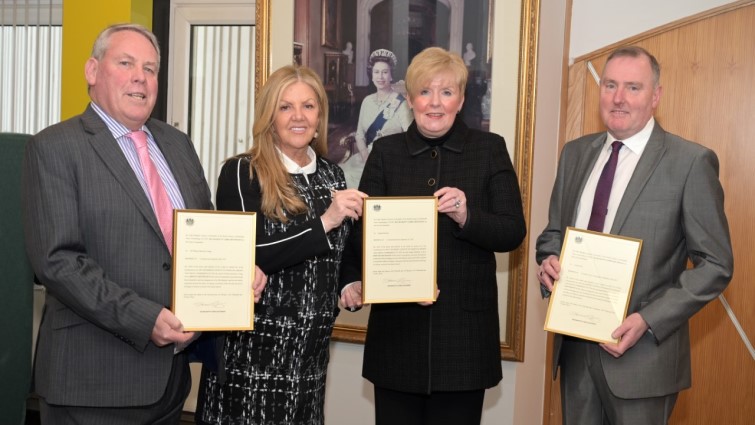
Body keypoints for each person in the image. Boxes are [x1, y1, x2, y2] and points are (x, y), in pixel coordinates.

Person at [21, 24, 267, 424]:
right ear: (92, 70)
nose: (141, 76)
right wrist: (144, 318)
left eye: (151, 68)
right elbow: (58, 262)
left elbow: (203, 234)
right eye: (126, 63)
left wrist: (238, 268)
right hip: (92, 386)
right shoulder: (54, 148)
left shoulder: (177, 144)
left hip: (169, 383)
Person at [536, 46, 733, 425]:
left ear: (655, 96)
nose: (619, 98)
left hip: (644, 358)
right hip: (576, 352)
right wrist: (547, 259)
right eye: (610, 85)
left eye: (633, 87)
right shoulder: (575, 153)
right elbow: (554, 232)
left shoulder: (690, 162)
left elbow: (717, 265)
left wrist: (648, 318)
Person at [340, 47, 526, 425]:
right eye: (425, 92)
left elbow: (512, 231)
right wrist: (351, 278)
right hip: (397, 333)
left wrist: (467, 214)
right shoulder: (386, 152)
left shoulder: (490, 149)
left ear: (461, 98)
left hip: (463, 335)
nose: (435, 103)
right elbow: (361, 229)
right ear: (409, 99)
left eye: (446, 92)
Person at [195, 65, 367, 425]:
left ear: (320, 115)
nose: (298, 117)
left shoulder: (332, 174)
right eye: (286, 107)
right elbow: (248, 256)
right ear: (269, 116)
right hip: (253, 355)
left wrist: (350, 281)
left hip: (312, 355)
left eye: (308, 106)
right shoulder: (243, 172)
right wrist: (324, 222)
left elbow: (342, 250)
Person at [339, 48, 413, 188]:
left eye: (385, 72)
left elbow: (411, 139)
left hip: (392, 162)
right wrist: (366, 157)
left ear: (391, 76)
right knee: (343, 174)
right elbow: (360, 135)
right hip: (366, 158)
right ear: (371, 76)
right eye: (376, 72)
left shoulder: (401, 104)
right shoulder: (367, 101)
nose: (380, 77)